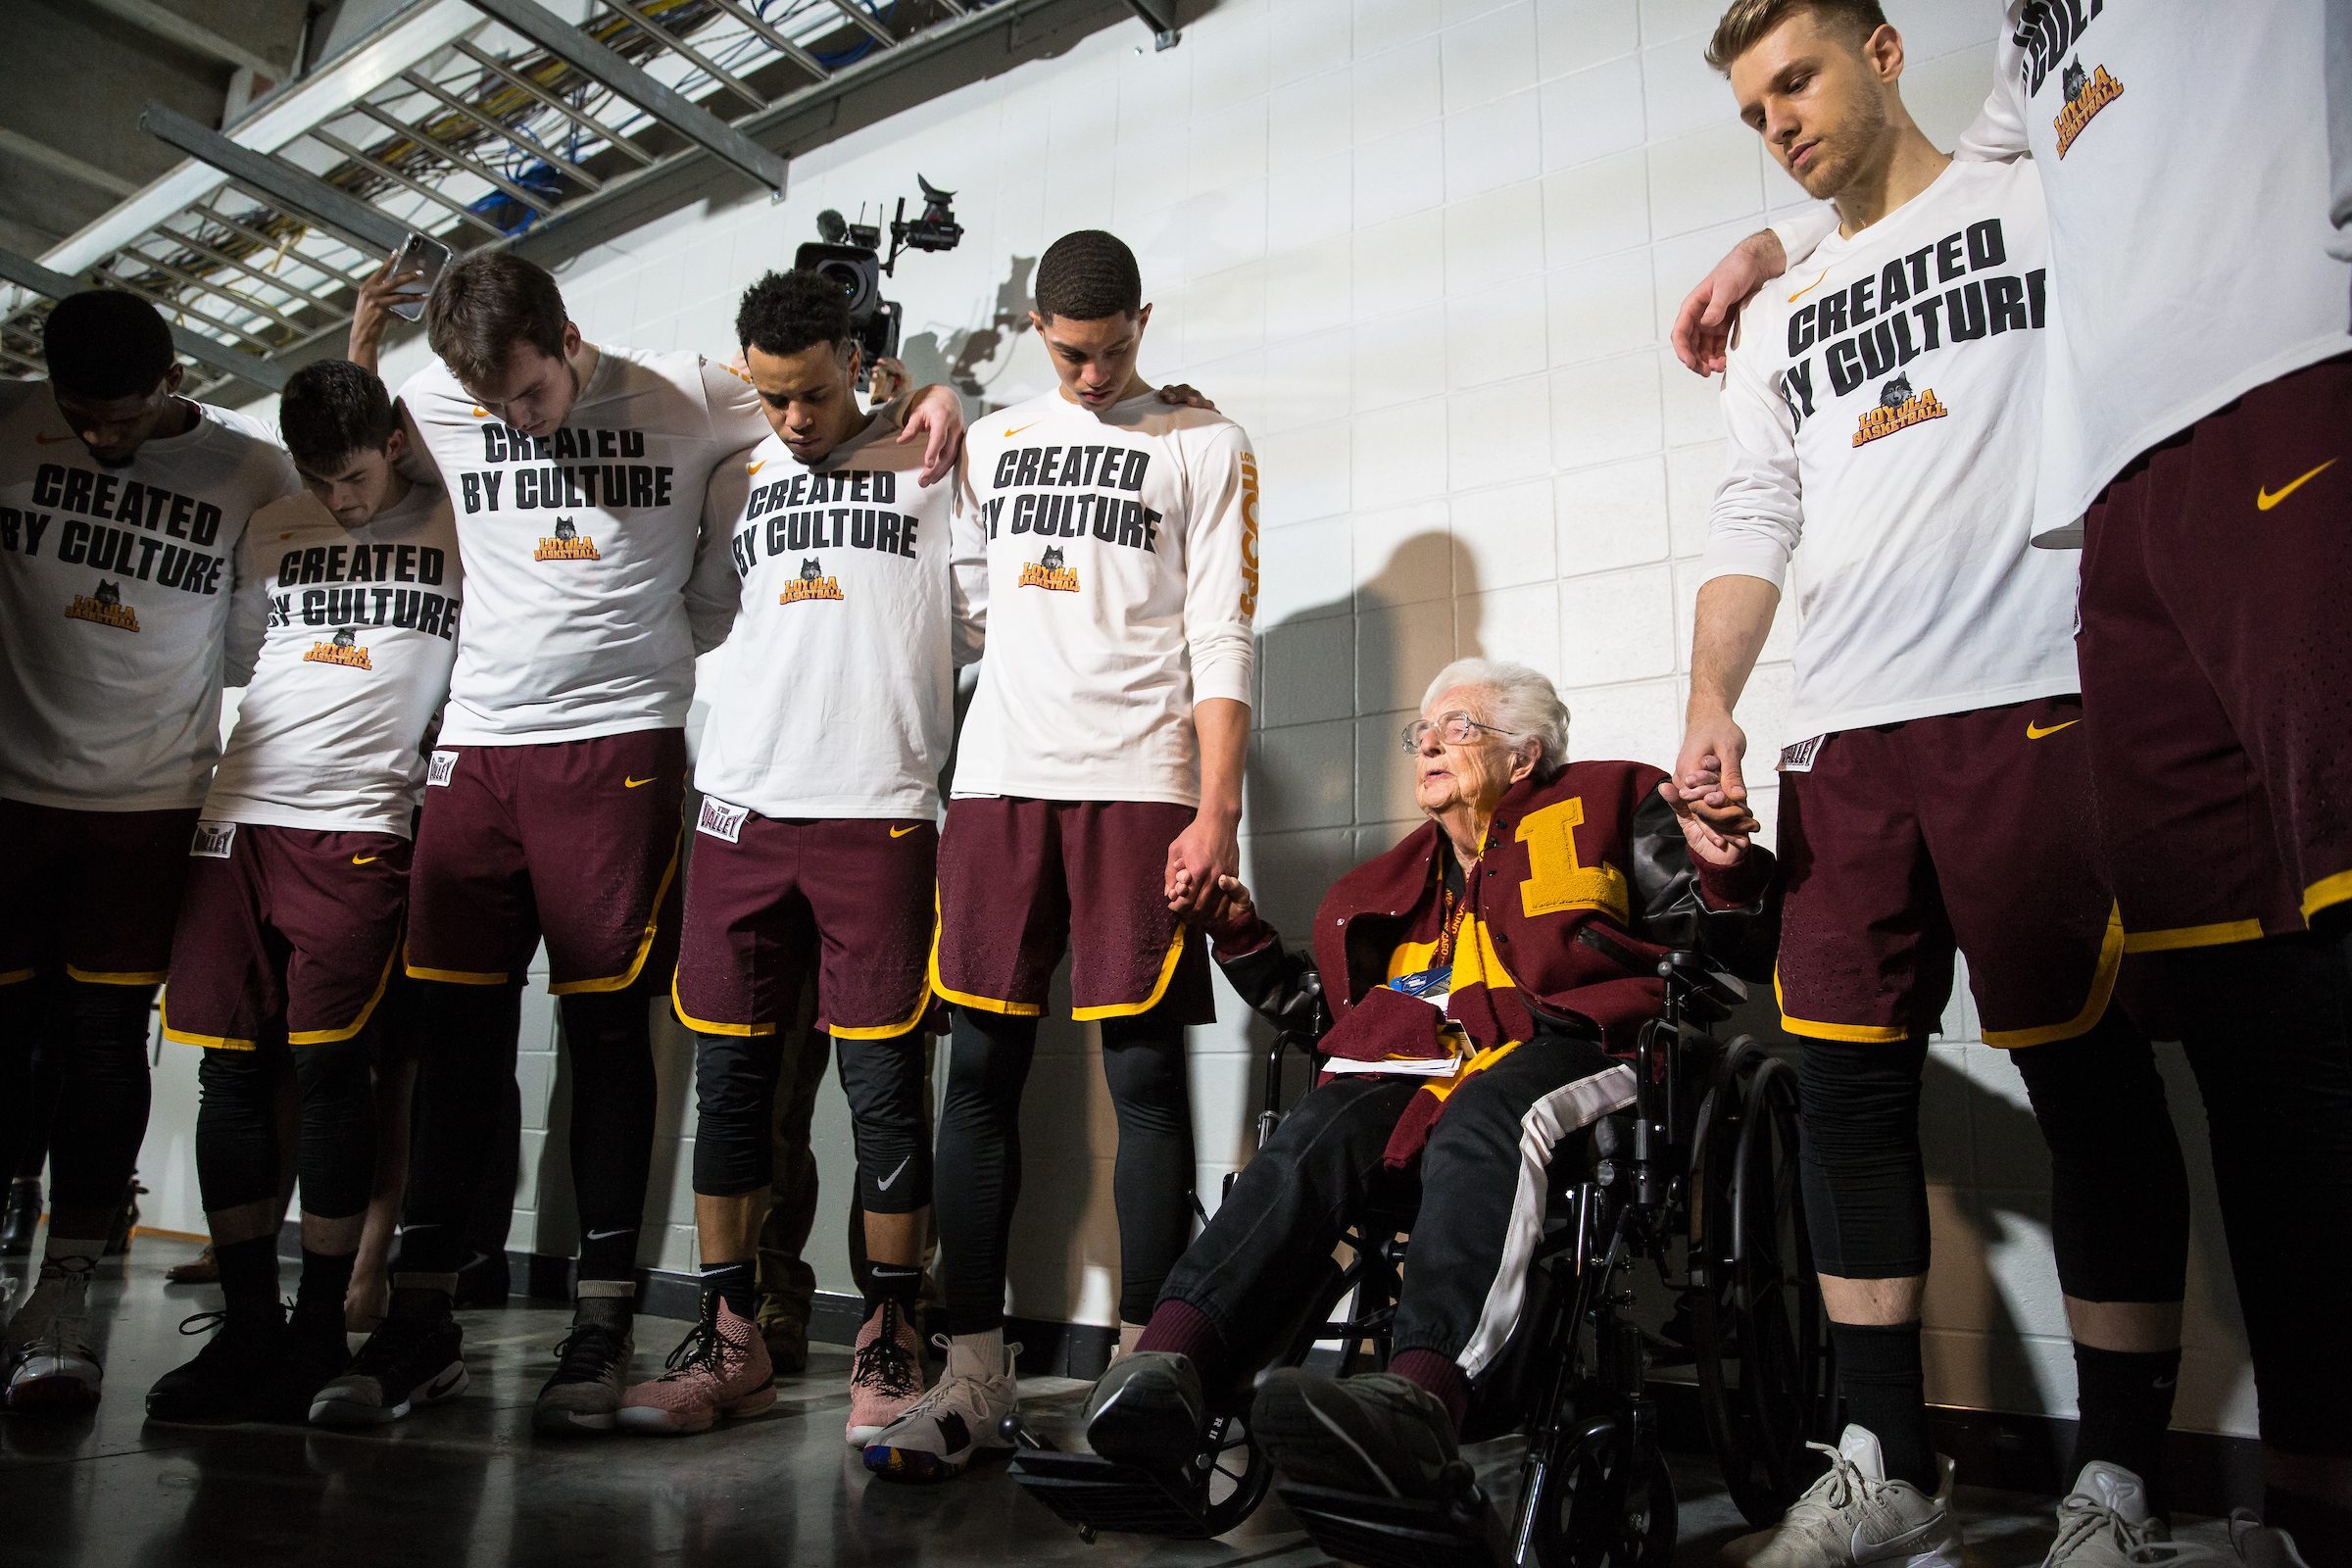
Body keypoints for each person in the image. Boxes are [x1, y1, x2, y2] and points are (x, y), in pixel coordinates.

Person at [1670, 3, 2351, 1556]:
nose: (1780, 120)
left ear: (1888, 52)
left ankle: (2118, 1479)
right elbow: (1753, 515)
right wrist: (1713, 699)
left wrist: (1769, 238)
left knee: (2090, 1087)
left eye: (1800, 79)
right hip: (1844, 732)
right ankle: (1883, 1460)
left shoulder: (2039, 186)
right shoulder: (1783, 316)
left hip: (2032, 695)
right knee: (1843, 1088)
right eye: (1754, 107)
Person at [313, 252, 963, 1437]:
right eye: (492, 405)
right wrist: (360, 338)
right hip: (507, 745)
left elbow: (838, 404)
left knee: (630, 1033)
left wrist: (926, 392)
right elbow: (349, 454)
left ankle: (622, 1322)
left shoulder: (691, 395)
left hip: (640, 752)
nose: (514, 421)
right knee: (463, 1036)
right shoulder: (457, 401)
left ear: (567, 336)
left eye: (530, 394)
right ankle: (423, 1319)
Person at [1084, 659, 1776, 1498]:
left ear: (1522, 758)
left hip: (1586, 1048)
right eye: (1423, 733)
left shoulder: (1611, 802)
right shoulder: (1391, 886)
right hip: (1428, 1071)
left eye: (1459, 729)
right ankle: (1170, 1362)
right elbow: (1337, 1030)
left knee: (1486, 1115)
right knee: (1320, 1125)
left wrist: (1727, 867)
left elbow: (1723, 957)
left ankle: (1421, 1398)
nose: (1429, 748)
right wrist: (1241, 937)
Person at [866, 228, 1261, 1482]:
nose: (1095, 374)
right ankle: (973, 1374)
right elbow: (970, 607)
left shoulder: (1206, 440)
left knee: (1144, 1078)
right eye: (1073, 352)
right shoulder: (994, 438)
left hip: (1141, 784)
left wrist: (1219, 808)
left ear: (1145, 319)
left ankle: (1144, 1374)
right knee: (978, 1069)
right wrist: (929, 403)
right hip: (998, 785)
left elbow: (1224, 631)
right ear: (1041, 330)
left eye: (1116, 347)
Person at [612, 270, 981, 1442]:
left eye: (814, 394)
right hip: (737, 810)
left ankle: (890, 1332)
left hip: (874, 810)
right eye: (773, 399)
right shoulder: (740, 477)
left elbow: (975, 624)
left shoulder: (932, 466)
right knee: (728, 1082)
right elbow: (722, 622)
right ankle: (731, 1339)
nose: (794, 419)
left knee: (883, 1092)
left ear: (853, 360)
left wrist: (948, 395)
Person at [144, 357, 463, 1424]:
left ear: (397, 443)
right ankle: (248, 1326)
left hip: (362, 824)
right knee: (228, 1077)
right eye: (325, 479)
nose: (343, 498)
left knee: (336, 1080)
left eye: (358, 476)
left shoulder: (454, 527)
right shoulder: (276, 525)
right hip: (237, 817)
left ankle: (320, 1325)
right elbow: (242, 658)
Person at [0, 290, 299, 1412]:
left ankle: (67, 1288)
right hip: (8, 789)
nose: (100, 438)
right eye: (80, 416)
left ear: (174, 380)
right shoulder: (7, 423)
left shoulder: (248, 473)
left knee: (97, 1040)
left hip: (144, 799)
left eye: (122, 418)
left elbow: (240, 653)